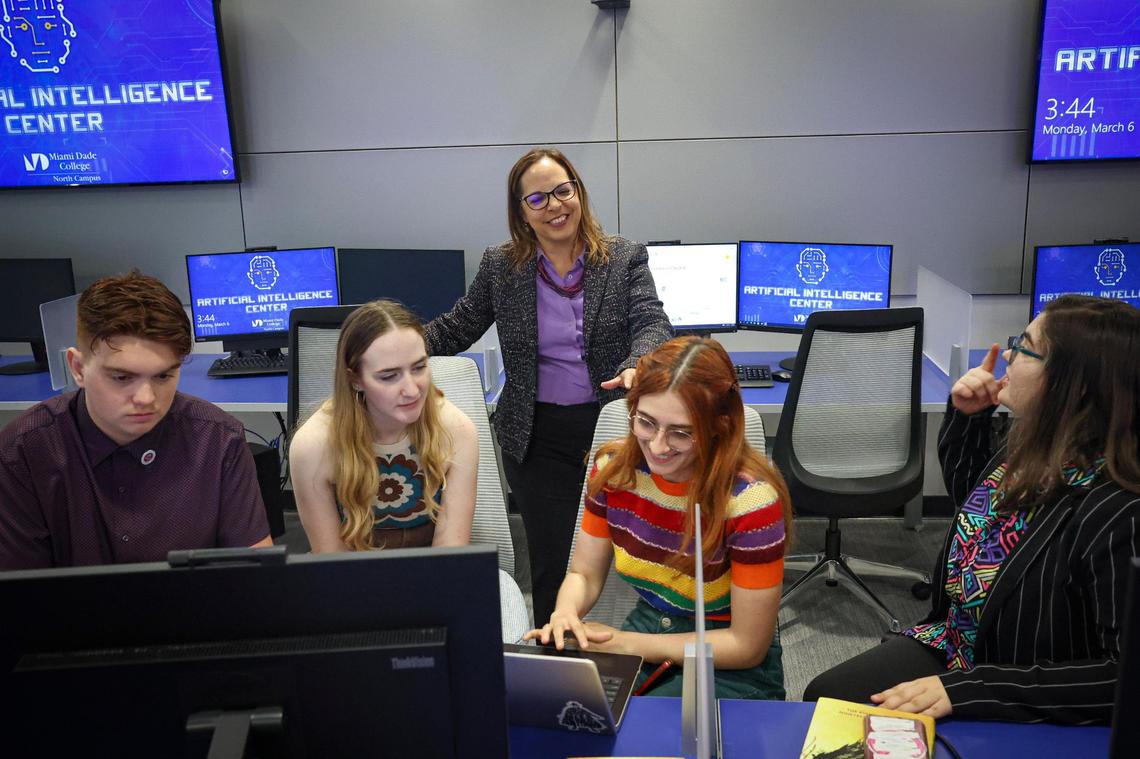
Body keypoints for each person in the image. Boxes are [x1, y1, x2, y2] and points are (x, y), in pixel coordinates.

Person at [804, 295, 1140, 724]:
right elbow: (976, 517)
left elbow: (1122, 679)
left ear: (1069, 383)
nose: (1008, 358)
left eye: (1024, 347)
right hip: (957, 644)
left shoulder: (1118, 512)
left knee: (851, 718)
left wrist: (967, 692)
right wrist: (969, 418)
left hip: (1016, 683)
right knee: (828, 701)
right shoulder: (1032, 453)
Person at [425, 147, 673, 626]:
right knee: (554, 561)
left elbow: (651, 320)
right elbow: (458, 326)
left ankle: (640, 654)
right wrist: (396, 347)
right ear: (521, 212)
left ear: (578, 191)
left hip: (612, 427)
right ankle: (555, 655)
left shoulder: (622, 257)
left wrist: (637, 363)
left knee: (634, 554)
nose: (555, 206)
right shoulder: (502, 266)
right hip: (536, 436)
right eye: (537, 199)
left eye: (563, 191)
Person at [527, 336, 791, 700]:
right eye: (646, 423)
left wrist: (628, 644)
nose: (658, 446)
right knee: (561, 709)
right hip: (651, 626)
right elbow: (583, 574)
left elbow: (746, 645)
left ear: (719, 426)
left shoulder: (751, 503)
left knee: (654, 736)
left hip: (725, 654)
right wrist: (565, 613)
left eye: (682, 433)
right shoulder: (613, 471)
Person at [0, 271, 272, 570]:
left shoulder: (219, 441)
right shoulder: (22, 453)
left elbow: (252, 578)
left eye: (163, 376)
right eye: (121, 377)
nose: (145, 397)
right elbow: (20, 598)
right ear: (77, 368)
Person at [290, 300, 478, 552]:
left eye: (419, 367)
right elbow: (333, 564)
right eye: (389, 376)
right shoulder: (312, 446)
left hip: (433, 571)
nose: (412, 390)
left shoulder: (456, 430)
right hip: (351, 576)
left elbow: (450, 551)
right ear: (354, 379)